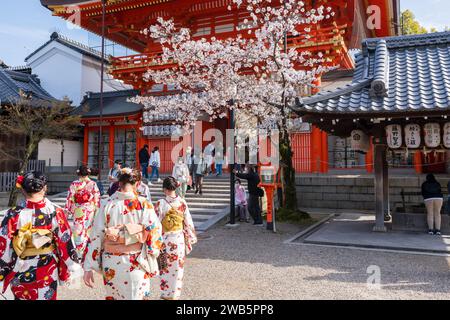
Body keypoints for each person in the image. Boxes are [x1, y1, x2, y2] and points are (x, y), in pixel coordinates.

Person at [83, 168, 163, 300]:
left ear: (119, 183)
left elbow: (96, 236)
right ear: (137, 184)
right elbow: (155, 233)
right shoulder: (144, 204)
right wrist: (151, 251)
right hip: (137, 262)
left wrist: (89, 267)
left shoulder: (107, 204)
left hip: (112, 262)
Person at [0, 171, 81, 300]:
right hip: (46, 268)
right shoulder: (55, 212)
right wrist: (72, 266)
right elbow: (65, 241)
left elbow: (3, 246)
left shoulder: (13, 214)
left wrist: (3, 270)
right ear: (44, 188)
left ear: (23, 190)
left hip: (21, 267)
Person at [154, 176, 197, 300]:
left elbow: (156, 224)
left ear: (164, 189)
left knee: (164, 268)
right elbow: (188, 222)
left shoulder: (160, 203)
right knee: (178, 269)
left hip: (165, 241)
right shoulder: (182, 202)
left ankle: (166, 294)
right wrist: (191, 237)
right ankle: (175, 295)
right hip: (178, 240)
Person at [65, 166, 101, 262]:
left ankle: (79, 252)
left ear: (79, 173)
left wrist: (68, 210)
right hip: (89, 210)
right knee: (88, 230)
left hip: (78, 210)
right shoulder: (93, 184)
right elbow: (97, 198)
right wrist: (96, 210)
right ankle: (87, 251)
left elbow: (70, 197)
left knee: (78, 230)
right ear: (88, 173)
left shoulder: (75, 184)